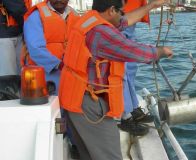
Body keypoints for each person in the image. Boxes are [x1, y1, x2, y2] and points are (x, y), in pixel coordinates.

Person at [58, 0, 173, 159]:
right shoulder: (101, 33)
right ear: (112, 10)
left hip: (74, 98)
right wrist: (161, 51)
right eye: (121, 11)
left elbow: (125, 21)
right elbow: (133, 51)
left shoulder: (90, 20)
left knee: (89, 155)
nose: (123, 16)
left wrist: (151, 6)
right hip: (88, 104)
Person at [23, 0, 80, 94]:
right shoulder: (36, 16)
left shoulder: (75, 15)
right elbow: (35, 48)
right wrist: (58, 64)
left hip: (70, 74)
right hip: (43, 75)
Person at [118, 0, 153, 136]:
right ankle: (126, 116)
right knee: (121, 68)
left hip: (132, 15)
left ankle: (132, 107)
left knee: (131, 67)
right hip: (121, 15)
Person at [0, 0, 27, 76]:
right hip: (6, 36)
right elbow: (18, 10)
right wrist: (31, 23)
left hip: (14, 33)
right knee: (8, 76)